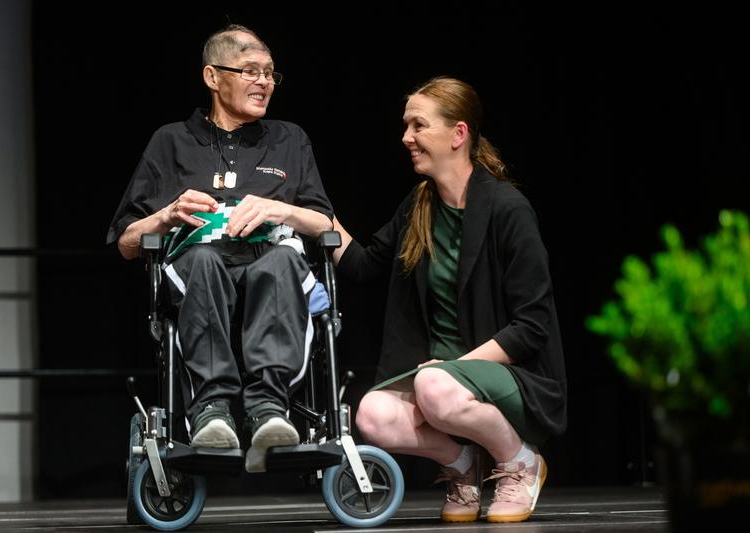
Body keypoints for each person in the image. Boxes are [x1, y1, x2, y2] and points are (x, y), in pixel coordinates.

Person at [332, 76, 566, 523]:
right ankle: (463, 466)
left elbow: (531, 326)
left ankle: (520, 461)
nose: (406, 137)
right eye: (406, 126)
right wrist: (306, 213)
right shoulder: (419, 205)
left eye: (418, 125)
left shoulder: (508, 209)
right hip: (441, 380)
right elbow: (363, 265)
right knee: (373, 415)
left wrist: (455, 368)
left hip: (514, 378)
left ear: (458, 134)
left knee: (433, 386)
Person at [106, 24, 333, 474]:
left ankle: (269, 410)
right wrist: (167, 214)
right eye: (250, 71)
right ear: (213, 76)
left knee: (282, 260)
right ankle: (211, 411)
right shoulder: (171, 141)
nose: (264, 82)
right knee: (203, 260)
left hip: (270, 266)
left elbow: (324, 224)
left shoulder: (289, 139)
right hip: (199, 268)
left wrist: (279, 209)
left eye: (270, 73)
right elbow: (127, 243)